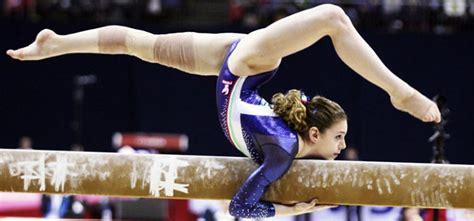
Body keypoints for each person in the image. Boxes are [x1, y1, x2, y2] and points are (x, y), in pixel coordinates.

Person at [6, 4, 441, 218]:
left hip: (237, 67)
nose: (343, 148)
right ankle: (399, 92)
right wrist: (297, 210)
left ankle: (58, 44)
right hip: (245, 67)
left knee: (141, 46)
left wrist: (292, 207)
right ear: (312, 134)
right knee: (332, 16)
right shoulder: (285, 149)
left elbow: (245, 204)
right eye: (339, 138)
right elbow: (241, 208)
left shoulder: (285, 146)